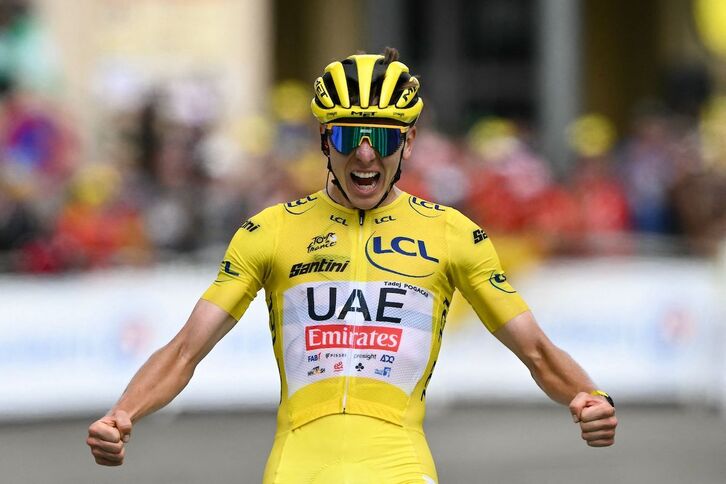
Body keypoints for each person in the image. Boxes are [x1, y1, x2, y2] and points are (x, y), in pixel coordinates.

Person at [87, 48, 617, 483]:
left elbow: (536, 350)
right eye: (347, 137)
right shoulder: (270, 230)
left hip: (398, 463)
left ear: (408, 141)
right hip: (299, 465)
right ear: (324, 139)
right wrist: (123, 413)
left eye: (383, 137)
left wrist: (587, 396)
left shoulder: (452, 233)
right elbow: (185, 349)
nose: (365, 156)